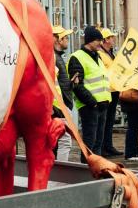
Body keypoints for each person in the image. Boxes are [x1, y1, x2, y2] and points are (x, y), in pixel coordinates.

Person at [67, 26, 111, 157]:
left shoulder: (97, 56)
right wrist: (93, 103)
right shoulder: (77, 57)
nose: (101, 43)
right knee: (89, 141)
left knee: (98, 142)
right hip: (90, 106)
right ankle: (87, 166)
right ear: (90, 40)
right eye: (98, 40)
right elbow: (77, 85)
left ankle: (97, 166)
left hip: (102, 105)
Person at [97, 28, 122, 157]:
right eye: (111, 37)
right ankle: (102, 147)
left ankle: (108, 145)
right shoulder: (100, 54)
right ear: (106, 40)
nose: (113, 39)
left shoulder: (110, 53)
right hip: (106, 91)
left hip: (114, 89)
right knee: (104, 121)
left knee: (110, 120)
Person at [51, 25, 74, 161]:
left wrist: (71, 83)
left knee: (56, 141)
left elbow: (60, 83)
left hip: (60, 106)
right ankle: (60, 170)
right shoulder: (53, 58)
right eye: (66, 38)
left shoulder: (57, 57)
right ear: (58, 40)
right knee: (65, 141)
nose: (67, 41)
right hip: (58, 107)